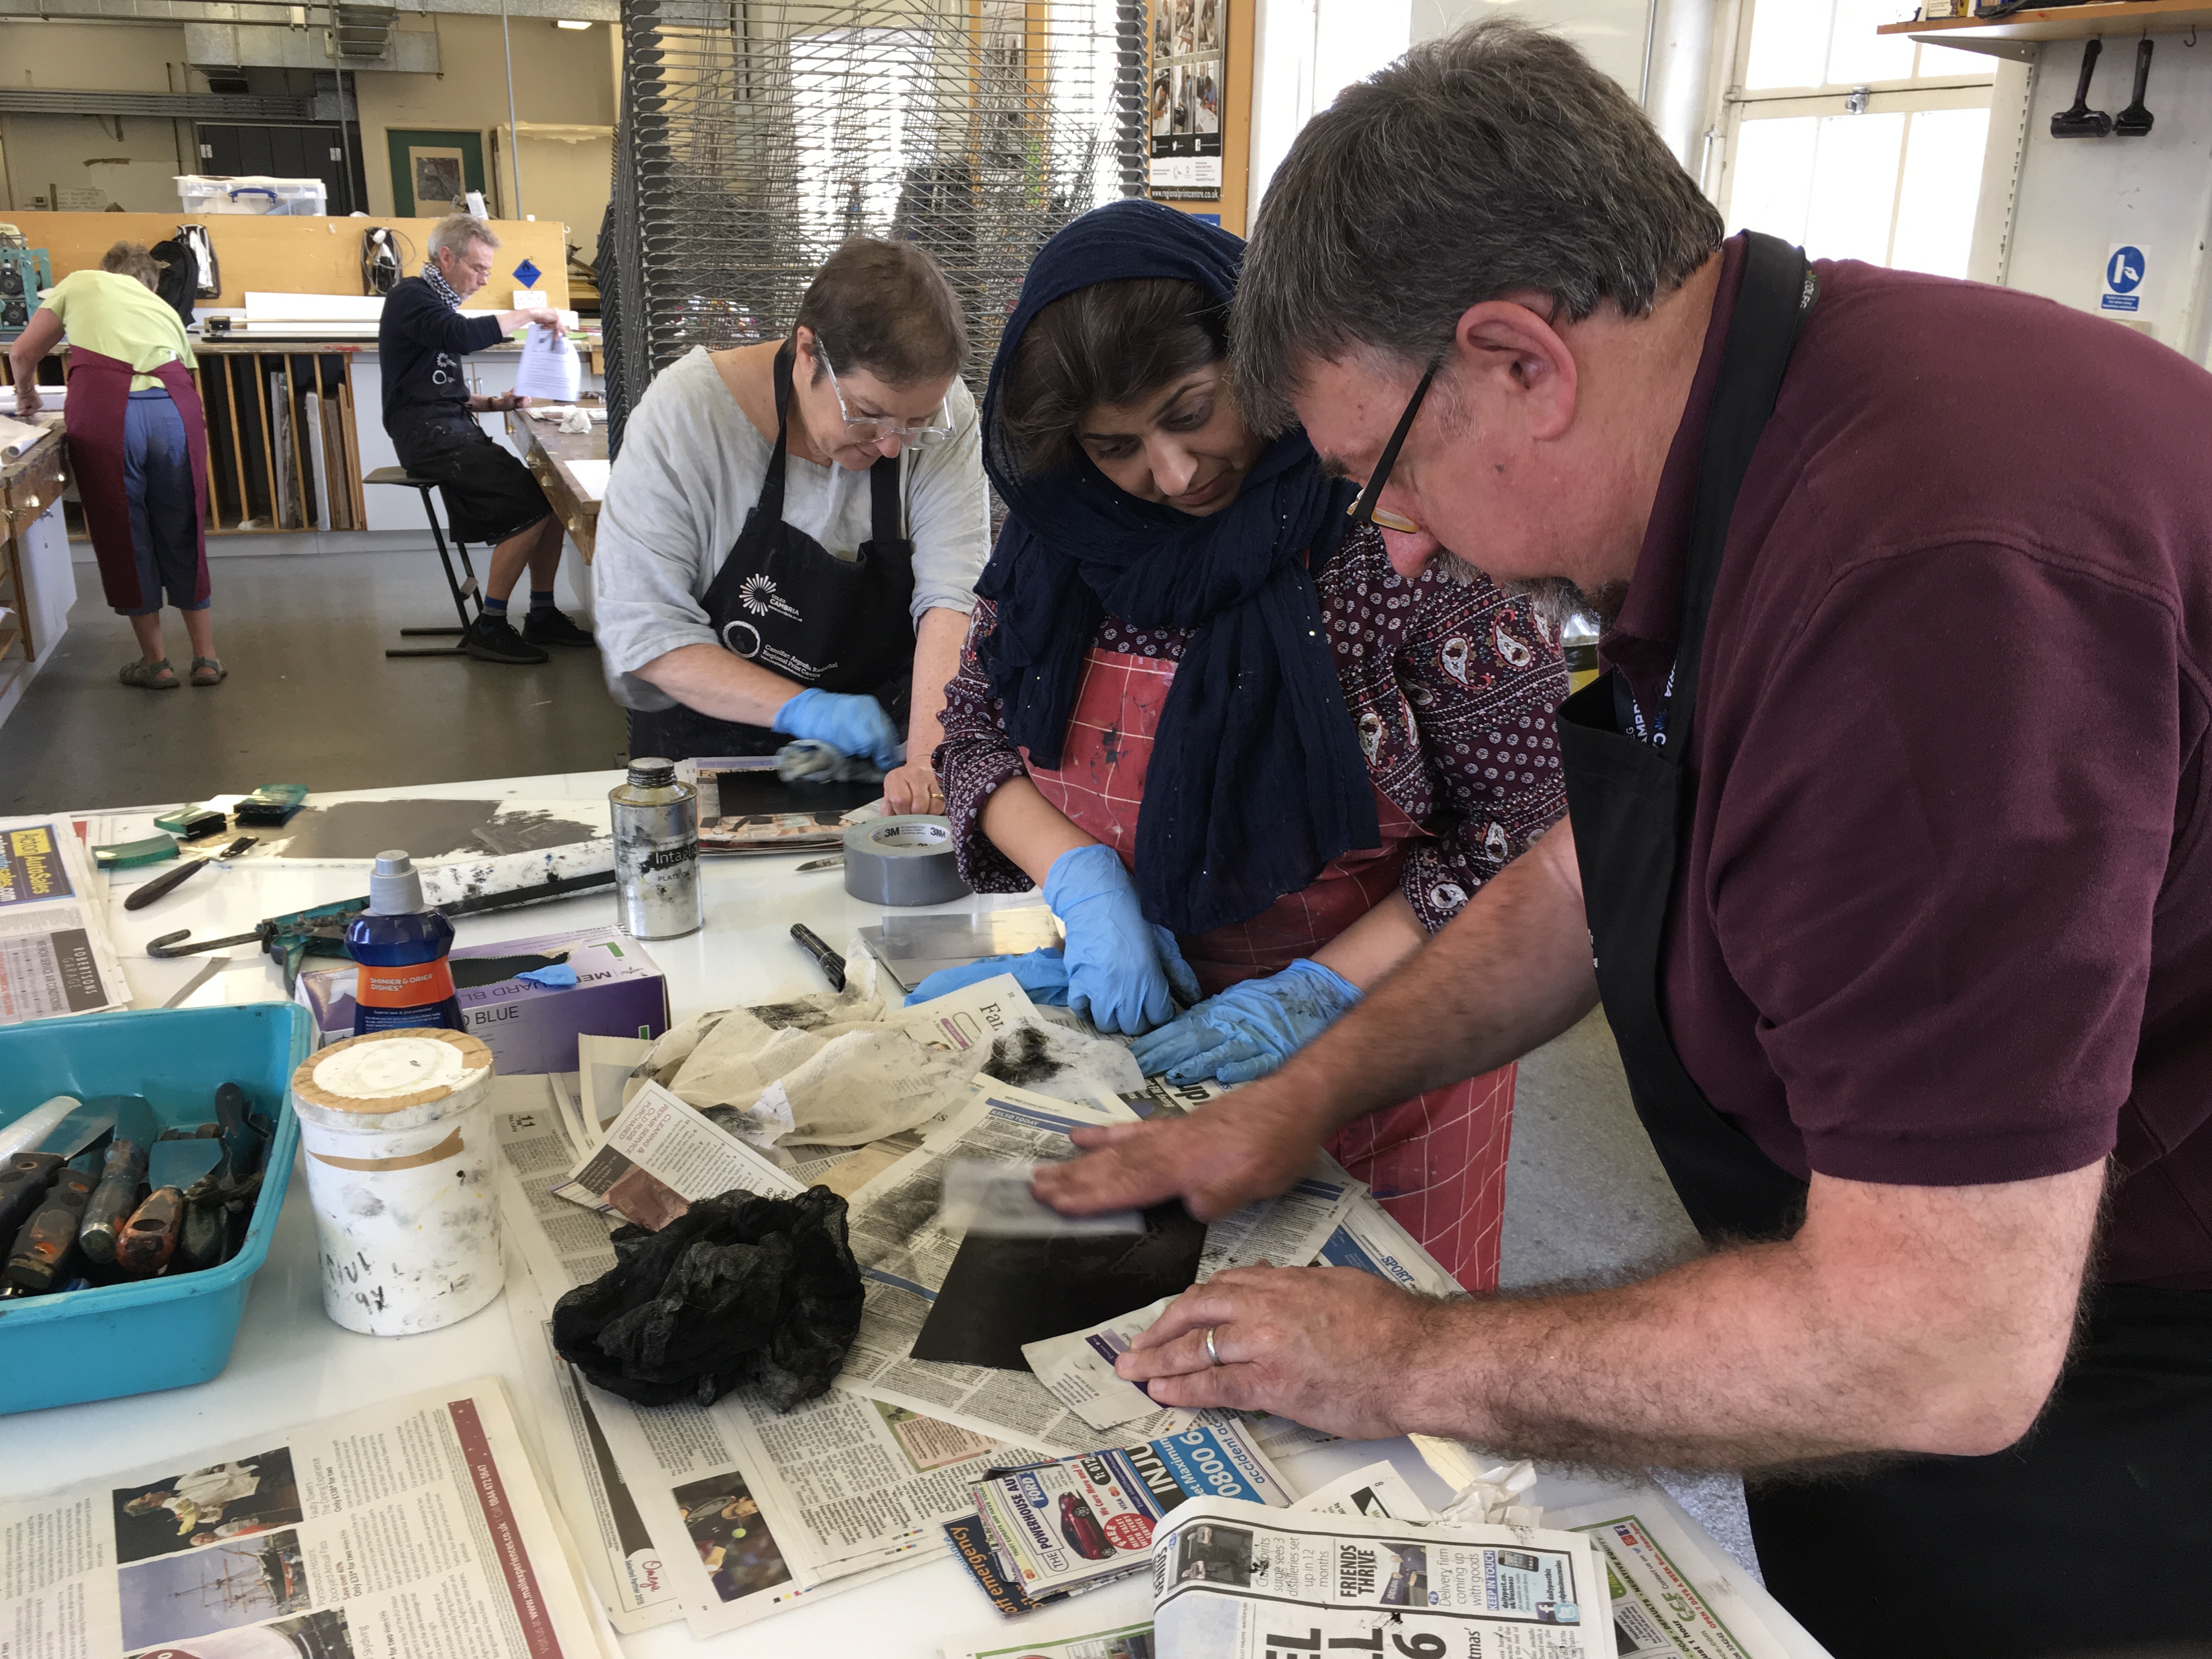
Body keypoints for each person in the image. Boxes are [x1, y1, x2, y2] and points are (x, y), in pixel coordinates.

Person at [1031, 22, 2212, 1658]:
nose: (1416, 539)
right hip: (1928, 1285)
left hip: (2120, 1379)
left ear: (1524, 360)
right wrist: (1296, 1093)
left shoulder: (1918, 585)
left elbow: (1940, 1342)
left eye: (1383, 476)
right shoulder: (1760, 420)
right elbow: (1603, 875)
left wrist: (1403, 1363)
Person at [923, 199, 1564, 1289]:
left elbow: (1528, 830)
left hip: (1389, 1053)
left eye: (1192, 413)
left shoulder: (1397, 532)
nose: (1173, 475)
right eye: (1116, 446)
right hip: (1145, 1039)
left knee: (1374, 1364)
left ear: (1257, 356)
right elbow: (972, 726)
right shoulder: (1062, 543)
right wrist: (1078, 877)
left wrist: (1313, 994)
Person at [592, 236, 989, 814]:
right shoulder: (690, 415)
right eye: (867, 413)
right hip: (717, 758)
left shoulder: (946, 416)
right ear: (808, 351)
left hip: (880, 768)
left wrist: (927, 761)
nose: (889, 445)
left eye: (916, 423)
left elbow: (952, 599)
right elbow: (644, 628)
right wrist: (803, 707)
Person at [378, 212, 592, 665]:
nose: (481, 279)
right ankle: (491, 626)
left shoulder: (436, 306)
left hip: (446, 427)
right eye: (477, 269)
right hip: (429, 438)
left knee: (553, 498)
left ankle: (542, 612)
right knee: (535, 506)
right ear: (447, 256)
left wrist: (498, 404)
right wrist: (531, 312)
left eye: (488, 272)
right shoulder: (411, 298)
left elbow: (440, 390)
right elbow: (461, 338)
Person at [8, 241, 222, 689]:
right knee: (182, 526)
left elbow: (24, 353)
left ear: (107, 270)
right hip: (174, 412)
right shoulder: (162, 307)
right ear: (152, 281)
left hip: (111, 416)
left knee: (123, 530)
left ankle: (157, 664)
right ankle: (206, 659)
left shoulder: (81, 281)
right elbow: (187, 371)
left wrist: (27, 394)